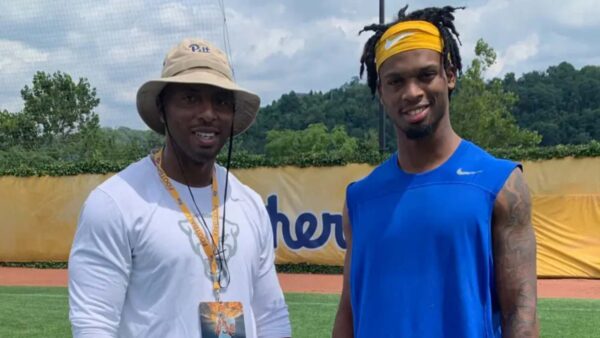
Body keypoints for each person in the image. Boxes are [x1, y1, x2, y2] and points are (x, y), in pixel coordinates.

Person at [332, 5, 538, 338]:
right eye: (395, 81)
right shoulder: (360, 198)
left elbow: (521, 310)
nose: (412, 92)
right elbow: (349, 310)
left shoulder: (500, 185)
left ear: (451, 74)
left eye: (426, 75)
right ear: (381, 92)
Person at [69, 38, 291, 338]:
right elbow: (93, 323)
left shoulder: (248, 202)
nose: (208, 113)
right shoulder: (115, 202)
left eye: (221, 101)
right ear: (162, 109)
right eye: (190, 98)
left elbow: (271, 316)